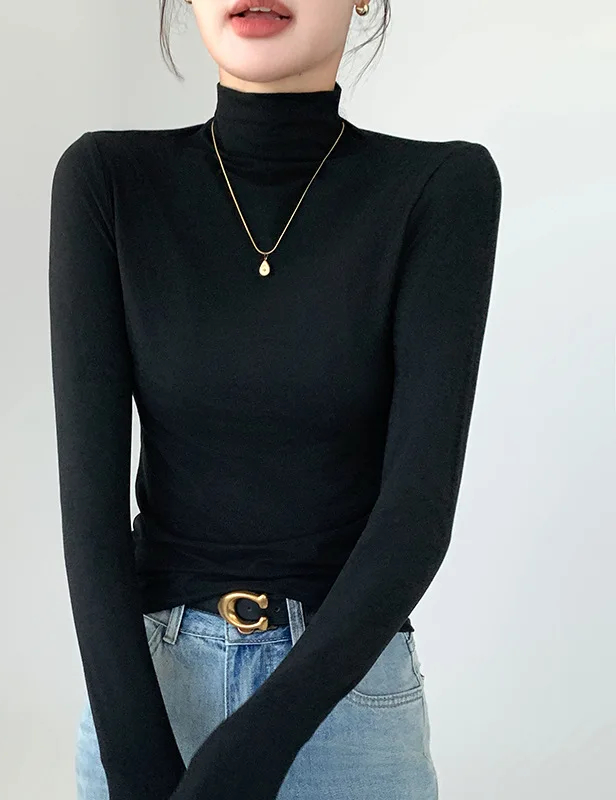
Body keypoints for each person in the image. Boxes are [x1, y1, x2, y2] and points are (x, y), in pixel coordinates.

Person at [48, 1, 503, 798]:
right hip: (146, 698)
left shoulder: (440, 189)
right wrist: (139, 765)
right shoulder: (107, 180)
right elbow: (90, 518)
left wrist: (251, 754)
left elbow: (416, 517)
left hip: (346, 706)